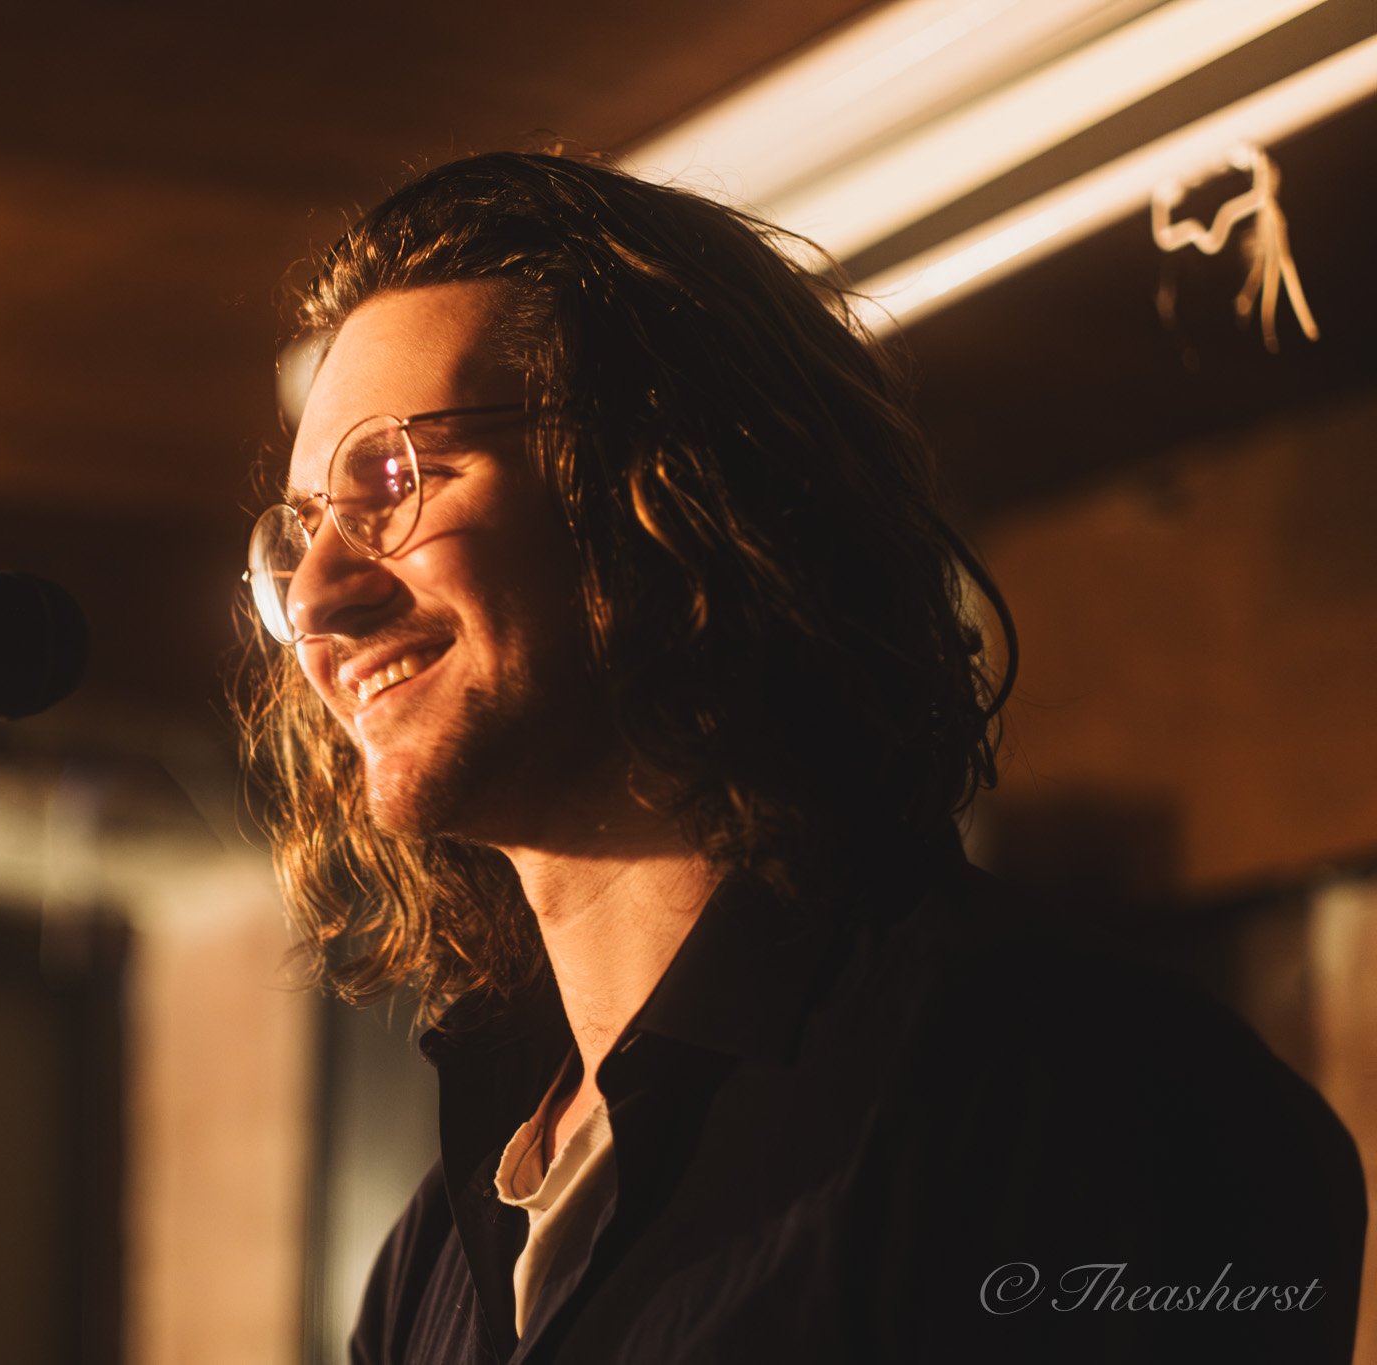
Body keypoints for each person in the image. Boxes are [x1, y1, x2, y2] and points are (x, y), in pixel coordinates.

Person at [234, 152, 1364, 1363]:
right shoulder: (443, 1249)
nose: (317, 598)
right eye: (294, 538)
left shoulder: (1069, 1089)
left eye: (394, 480)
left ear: (665, 492)